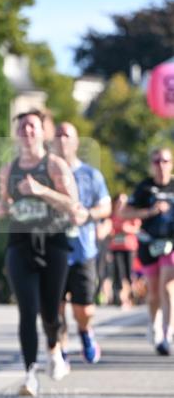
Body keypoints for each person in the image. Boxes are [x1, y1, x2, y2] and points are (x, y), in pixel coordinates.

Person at [0, 110, 77, 397]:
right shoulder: (9, 169)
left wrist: (41, 190)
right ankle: (30, 373)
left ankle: (55, 350)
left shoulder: (54, 165)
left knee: (51, 311)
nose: (27, 132)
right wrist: (2, 208)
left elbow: (72, 205)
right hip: (20, 245)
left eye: (32, 126)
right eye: (22, 127)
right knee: (27, 311)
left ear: (42, 132)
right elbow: (1, 204)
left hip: (53, 243)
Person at [53, 123, 111, 364]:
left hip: (82, 250)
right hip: (53, 250)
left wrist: (87, 214)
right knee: (55, 307)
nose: (62, 139)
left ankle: (86, 332)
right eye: (58, 135)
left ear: (76, 142)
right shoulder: (46, 174)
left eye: (67, 135)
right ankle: (61, 349)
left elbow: (105, 206)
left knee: (83, 309)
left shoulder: (91, 174)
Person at [121, 148, 174, 355]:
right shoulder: (144, 187)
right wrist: (150, 211)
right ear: (152, 164)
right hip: (149, 243)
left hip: (171, 243)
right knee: (153, 293)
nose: (161, 165)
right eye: (157, 161)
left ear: (171, 164)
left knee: (168, 287)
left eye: (165, 161)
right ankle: (154, 325)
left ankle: (167, 333)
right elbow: (124, 212)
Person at [108, 194, 140, 308]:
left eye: (124, 201)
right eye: (119, 201)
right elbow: (109, 229)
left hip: (129, 248)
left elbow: (137, 228)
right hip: (116, 248)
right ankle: (123, 299)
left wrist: (128, 229)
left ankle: (132, 295)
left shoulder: (131, 213)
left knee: (129, 273)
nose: (121, 204)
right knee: (119, 273)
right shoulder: (112, 215)